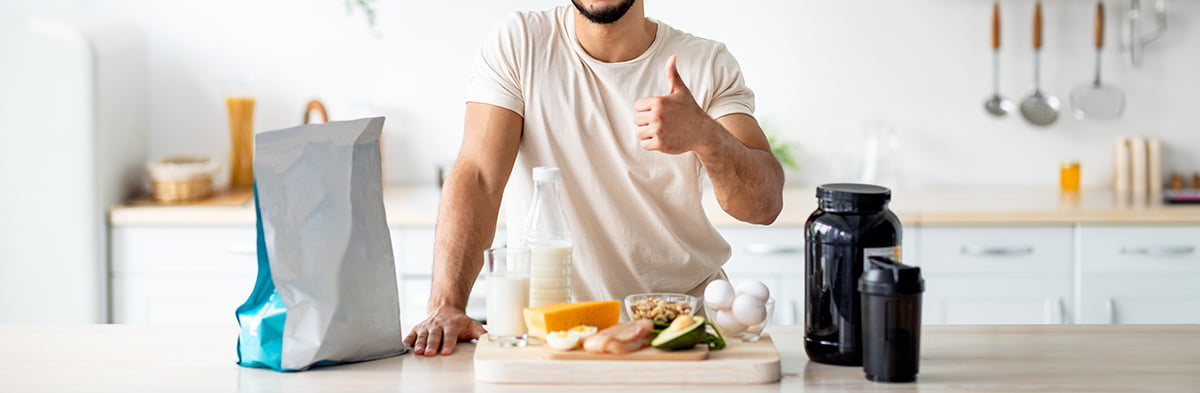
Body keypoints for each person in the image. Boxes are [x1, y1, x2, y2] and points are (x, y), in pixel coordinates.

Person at [403, 0, 784, 356]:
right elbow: (480, 177)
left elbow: (762, 207)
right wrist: (447, 305)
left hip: (679, 331)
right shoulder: (520, 43)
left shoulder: (705, 62)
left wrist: (706, 136)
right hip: (552, 333)